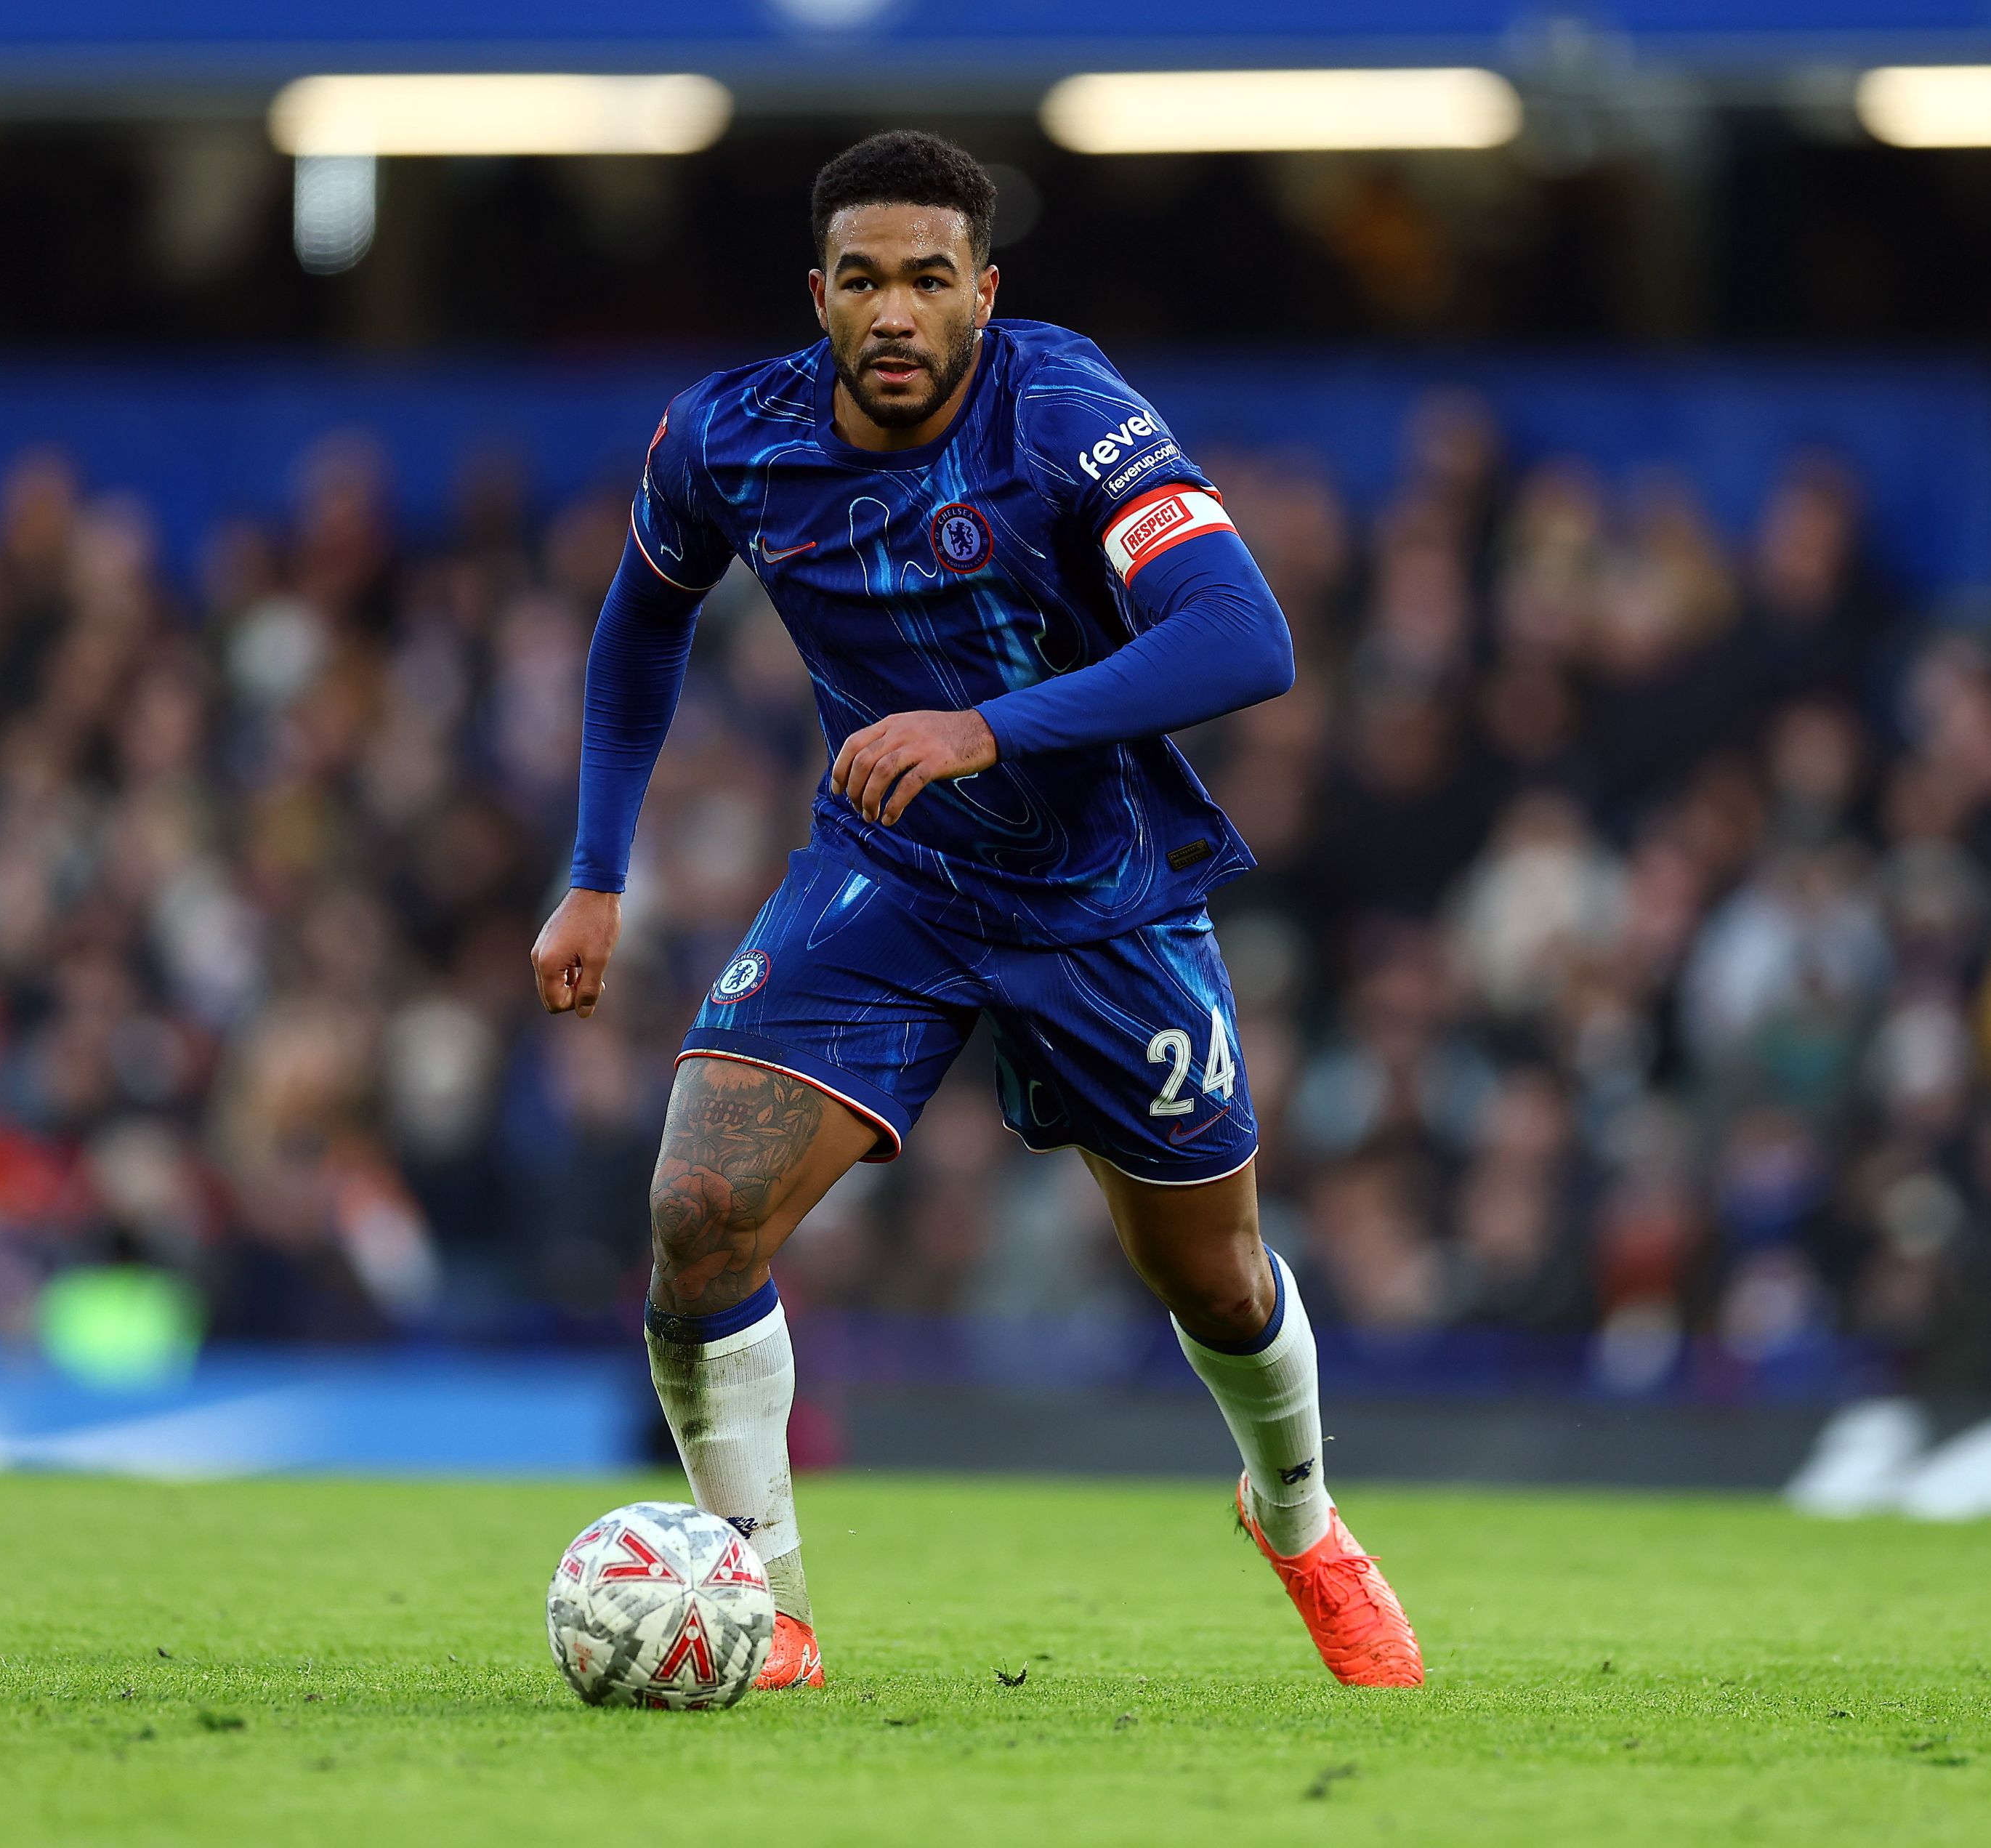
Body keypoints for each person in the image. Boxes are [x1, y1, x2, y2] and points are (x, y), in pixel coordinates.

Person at [530, 131, 1423, 1692]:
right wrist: (596, 871)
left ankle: (1297, 1519)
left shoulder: (1063, 414)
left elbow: (1241, 635)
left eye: (927, 280)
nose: (892, 311)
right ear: (816, 293)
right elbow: (634, 639)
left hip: (1102, 892)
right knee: (695, 1215)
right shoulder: (725, 440)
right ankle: (772, 1605)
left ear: (981, 295)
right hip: (891, 876)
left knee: (1208, 1275)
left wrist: (983, 728)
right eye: (861, 279)